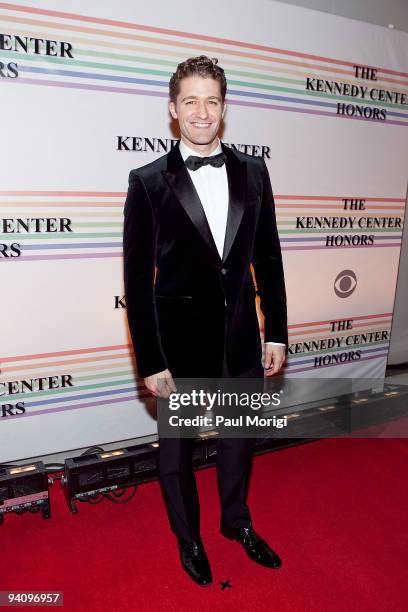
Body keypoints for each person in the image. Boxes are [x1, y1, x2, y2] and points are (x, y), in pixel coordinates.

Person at [123, 56, 288, 586]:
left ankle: (236, 523)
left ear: (224, 108)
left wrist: (277, 330)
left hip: (241, 337)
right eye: (190, 101)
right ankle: (188, 537)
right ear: (173, 110)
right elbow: (135, 280)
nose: (201, 111)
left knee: (240, 442)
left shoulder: (253, 172)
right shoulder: (147, 181)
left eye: (211, 100)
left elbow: (270, 257)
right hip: (179, 347)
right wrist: (150, 360)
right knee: (176, 455)